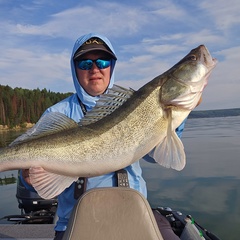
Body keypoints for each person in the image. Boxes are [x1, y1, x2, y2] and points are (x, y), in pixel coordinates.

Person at [20, 32, 186, 240]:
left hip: (132, 214)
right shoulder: (57, 114)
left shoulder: (134, 105)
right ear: (75, 69)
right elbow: (30, 175)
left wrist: (174, 122)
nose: (95, 69)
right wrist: (27, 177)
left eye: (102, 61)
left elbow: (155, 155)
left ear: (112, 66)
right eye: (85, 63)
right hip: (76, 221)